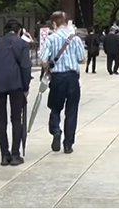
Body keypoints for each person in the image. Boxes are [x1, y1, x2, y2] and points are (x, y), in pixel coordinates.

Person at [0, 19, 32, 166]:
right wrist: (26, 86)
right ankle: (15, 154)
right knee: (16, 119)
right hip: (16, 83)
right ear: (19, 31)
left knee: (1, 120)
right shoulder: (22, 44)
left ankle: (4, 155)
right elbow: (25, 67)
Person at [41, 11, 85, 154]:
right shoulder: (75, 39)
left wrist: (51, 62)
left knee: (55, 107)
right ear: (67, 22)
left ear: (54, 24)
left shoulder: (50, 39)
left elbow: (43, 61)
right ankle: (68, 144)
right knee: (71, 111)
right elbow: (82, 59)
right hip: (72, 77)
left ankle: (55, 130)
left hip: (57, 78)